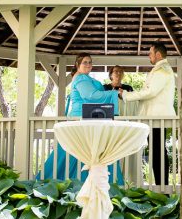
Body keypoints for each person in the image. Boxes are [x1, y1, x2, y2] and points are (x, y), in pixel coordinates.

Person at [39, 53, 123, 182]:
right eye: (85, 62)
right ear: (77, 65)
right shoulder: (81, 78)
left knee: (84, 153)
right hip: (81, 119)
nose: (88, 65)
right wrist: (113, 93)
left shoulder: (85, 78)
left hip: (90, 118)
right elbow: (91, 95)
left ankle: (86, 183)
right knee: (78, 153)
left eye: (90, 62)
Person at [122, 42, 176, 186]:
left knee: (157, 152)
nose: (148, 56)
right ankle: (161, 186)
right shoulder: (159, 69)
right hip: (153, 118)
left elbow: (150, 92)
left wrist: (127, 95)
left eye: (150, 53)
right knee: (155, 151)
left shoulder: (162, 70)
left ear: (158, 55)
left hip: (158, 118)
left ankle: (162, 187)